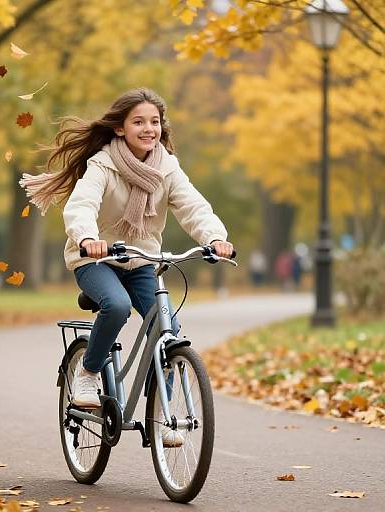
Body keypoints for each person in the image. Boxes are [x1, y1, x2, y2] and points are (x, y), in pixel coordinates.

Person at [20, 88, 233, 445]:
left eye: (155, 122)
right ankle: (89, 372)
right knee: (117, 306)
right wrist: (88, 238)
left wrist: (214, 237)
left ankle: (164, 414)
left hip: (141, 260)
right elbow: (82, 204)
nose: (148, 128)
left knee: (168, 332)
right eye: (139, 122)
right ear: (120, 128)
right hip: (96, 259)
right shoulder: (102, 164)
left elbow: (193, 206)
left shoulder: (167, 167)